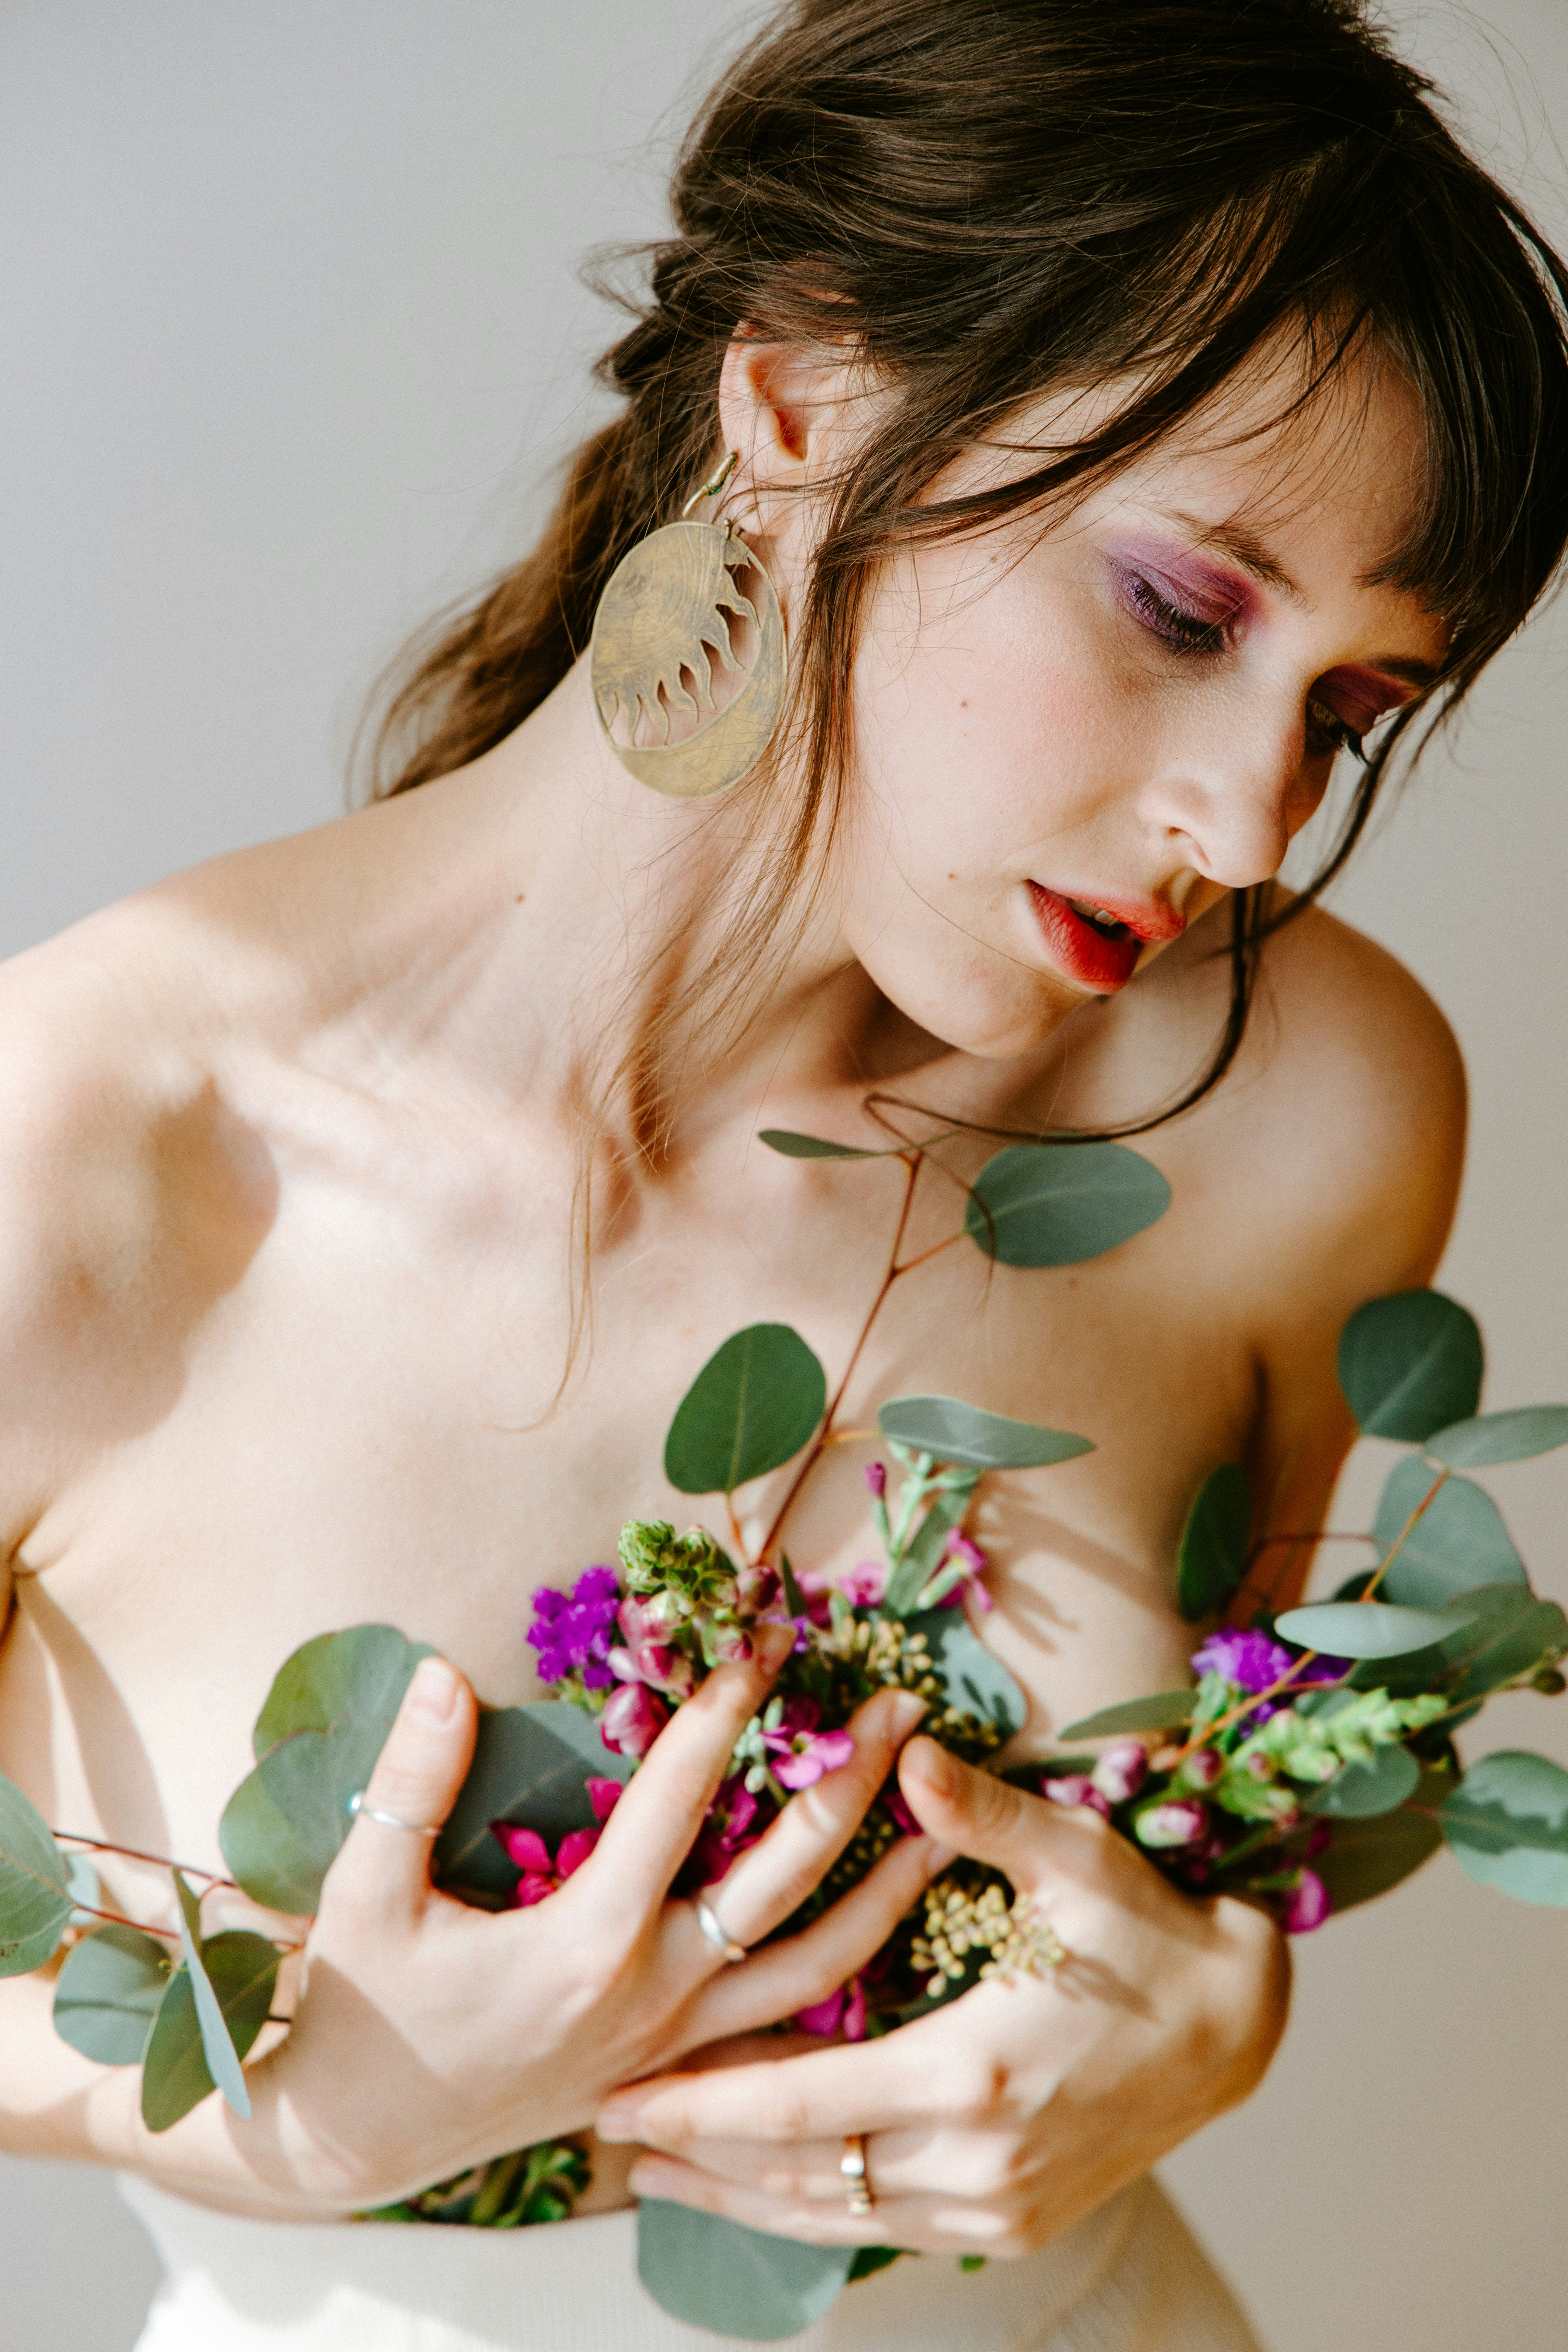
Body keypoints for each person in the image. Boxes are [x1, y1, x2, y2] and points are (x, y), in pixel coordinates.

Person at [2, 1, 1566, 2346]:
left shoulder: (1294, 1110)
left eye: (1346, 711)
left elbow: (1240, 1808)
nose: (1249, 827)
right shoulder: (94, 1160)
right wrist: (288, 2116)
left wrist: (1211, 2018)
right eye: (1182, 610)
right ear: (801, 404)